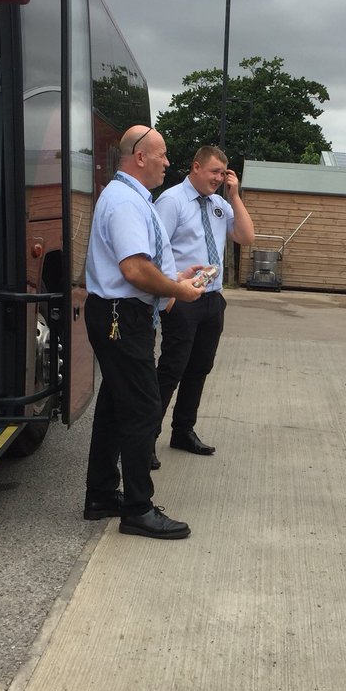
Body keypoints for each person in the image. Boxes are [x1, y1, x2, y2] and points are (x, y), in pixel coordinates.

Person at [83, 125, 204, 539]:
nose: (167, 162)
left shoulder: (130, 197)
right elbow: (133, 269)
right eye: (162, 154)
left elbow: (142, 263)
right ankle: (138, 509)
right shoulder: (125, 202)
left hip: (120, 314)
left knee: (116, 405)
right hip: (122, 316)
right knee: (142, 408)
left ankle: (101, 495)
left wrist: (175, 276)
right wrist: (178, 290)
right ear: (140, 157)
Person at [153, 145, 255, 463]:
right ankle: (146, 439)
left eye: (223, 173)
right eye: (214, 172)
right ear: (196, 167)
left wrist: (235, 196)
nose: (219, 178)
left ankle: (183, 431)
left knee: (199, 369)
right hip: (182, 298)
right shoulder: (172, 201)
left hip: (212, 299)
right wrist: (170, 295)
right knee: (171, 369)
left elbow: (246, 237)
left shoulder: (219, 205)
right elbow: (155, 248)